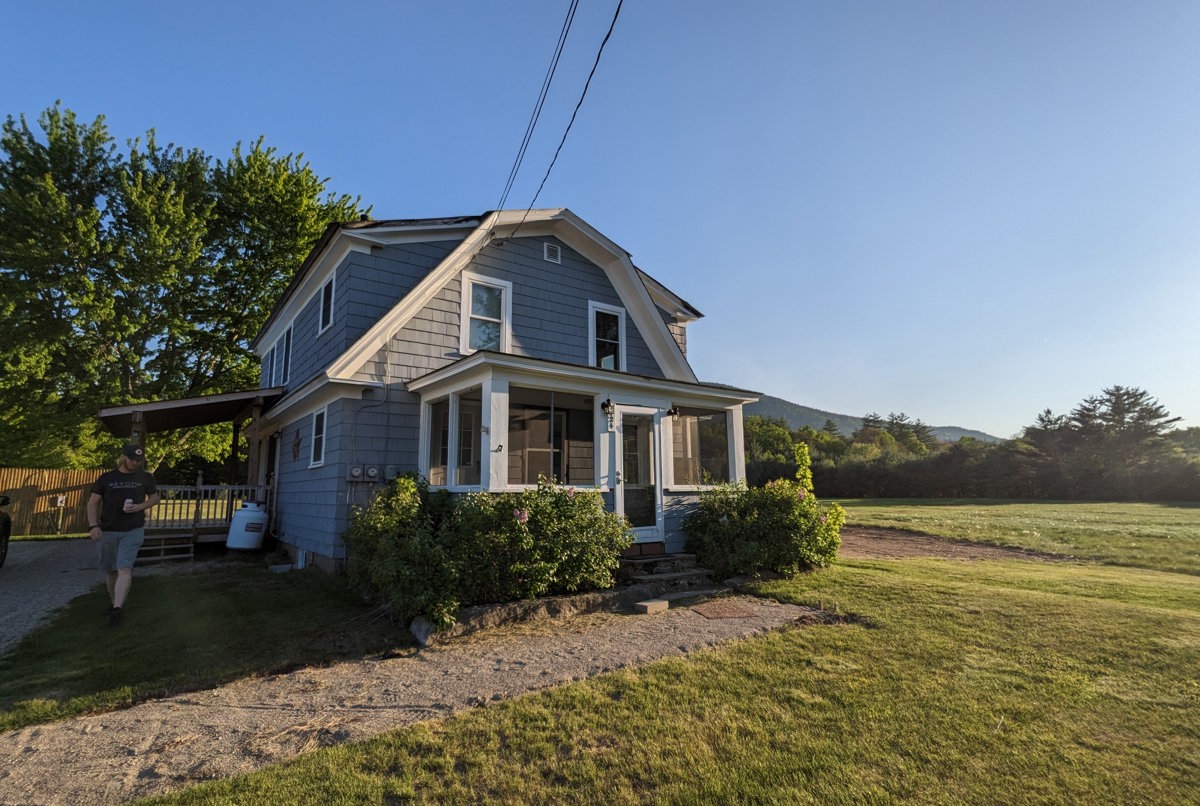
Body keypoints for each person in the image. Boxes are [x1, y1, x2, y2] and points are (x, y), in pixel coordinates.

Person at [86, 444, 160, 625]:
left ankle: (118, 610)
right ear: (123, 458)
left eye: (139, 461)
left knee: (124, 568)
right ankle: (114, 604)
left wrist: (140, 507)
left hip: (133, 530)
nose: (135, 463)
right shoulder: (106, 478)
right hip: (109, 530)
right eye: (132, 460)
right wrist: (93, 526)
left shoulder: (145, 477)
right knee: (111, 571)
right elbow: (92, 503)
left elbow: (155, 497)